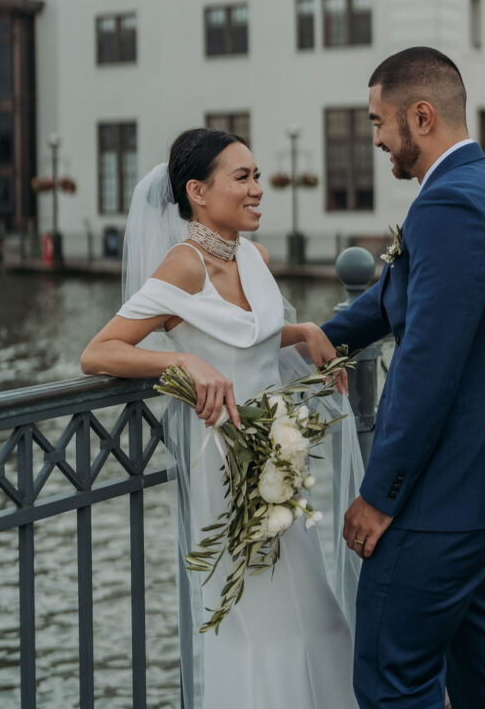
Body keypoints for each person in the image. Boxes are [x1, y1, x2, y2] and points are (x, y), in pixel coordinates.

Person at [81, 128, 363, 709]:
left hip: (277, 456)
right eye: (243, 177)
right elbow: (99, 352)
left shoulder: (254, 257)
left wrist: (304, 330)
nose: (258, 188)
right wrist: (182, 360)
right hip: (222, 465)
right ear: (197, 191)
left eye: (258, 175)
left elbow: (249, 339)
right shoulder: (181, 267)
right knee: (255, 627)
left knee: (316, 613)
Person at [322, 47, 485, 709]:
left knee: (393, 681)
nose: (377, 138)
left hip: (444, 500)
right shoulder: (481, 190)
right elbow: (404, 297)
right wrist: (322, 337)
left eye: (377, 121)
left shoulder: (448, 206)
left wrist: (380, 494)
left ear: (420, 116)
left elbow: (426, 364)